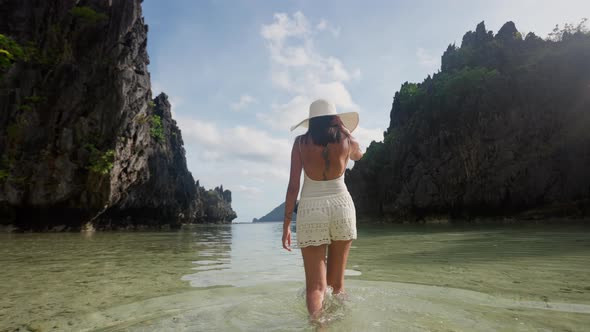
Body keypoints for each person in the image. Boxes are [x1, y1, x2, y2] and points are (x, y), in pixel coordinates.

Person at [282, 99, 364, 320]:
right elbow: (359, 154)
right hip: (342, 208)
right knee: (337, 286)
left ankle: (320, 326)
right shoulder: (346, 140)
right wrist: (346, 130)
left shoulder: (300, 143)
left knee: (315, 289)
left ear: (311, 121)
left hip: (311, 210)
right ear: (335, 119)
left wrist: (287, 224)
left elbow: (292, 187)